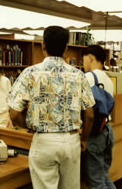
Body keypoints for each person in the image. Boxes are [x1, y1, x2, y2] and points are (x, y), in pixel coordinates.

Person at [7, 26, 95, 189]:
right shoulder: (79, 75)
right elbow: (89, 114)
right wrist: (83, 140)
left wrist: (27, 127)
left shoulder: (29, 73)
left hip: (43, 141)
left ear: (43, 46)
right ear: (66, 49)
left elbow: (13, 113)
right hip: (71, 140)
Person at [82, 45, 116, 189]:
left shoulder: (87, 77)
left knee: (96, 182)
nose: (83, 63)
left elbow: (86, 112)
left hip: (94, 133)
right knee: (103, 176)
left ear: (90, 57)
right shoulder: (108, 79)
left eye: (83, 59)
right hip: (107, 130)